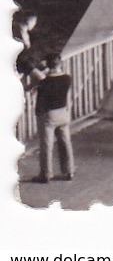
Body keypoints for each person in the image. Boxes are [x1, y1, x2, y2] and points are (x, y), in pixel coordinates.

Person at [33, 52, 74, 183]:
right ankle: (69, 170)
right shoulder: (67, 78)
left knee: (46, 145)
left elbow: (40, 100)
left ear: (47, 64)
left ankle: (46, 174)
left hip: (49, 115)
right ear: (60, 63)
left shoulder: (45, 81)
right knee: (65, 142)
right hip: (64, 113)